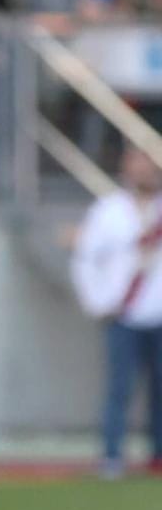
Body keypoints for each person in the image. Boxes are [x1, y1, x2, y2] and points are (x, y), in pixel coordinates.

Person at [69, 144, 162, 478]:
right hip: (123, 314)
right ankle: (112, 455)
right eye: (138, 164)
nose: (144, 171)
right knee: (119, 388)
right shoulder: (108, 211)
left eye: (149, 164)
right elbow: (85, 259)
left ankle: (157, 457)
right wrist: (97, 302)